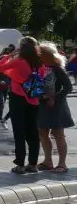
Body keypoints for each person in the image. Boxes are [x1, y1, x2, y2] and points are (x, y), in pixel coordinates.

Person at [0, 37, 42, 174]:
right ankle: (33, 165)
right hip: (34, 99)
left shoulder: (19, 61)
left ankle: (20, 164)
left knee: (19, 132)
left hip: (18, 99)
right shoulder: (39, 62)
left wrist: (10, 54)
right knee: (33, 133)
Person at [35, 42, 73, 173]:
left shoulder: (58, 69)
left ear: (47, 55)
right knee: (43, 132)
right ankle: (47, 161)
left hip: (57, 106)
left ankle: (62, 164)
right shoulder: (39, 68)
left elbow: (68, 88)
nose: (38, 56)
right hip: (43, 105)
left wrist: (54, 98)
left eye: (40, 54)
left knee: (58, 134)